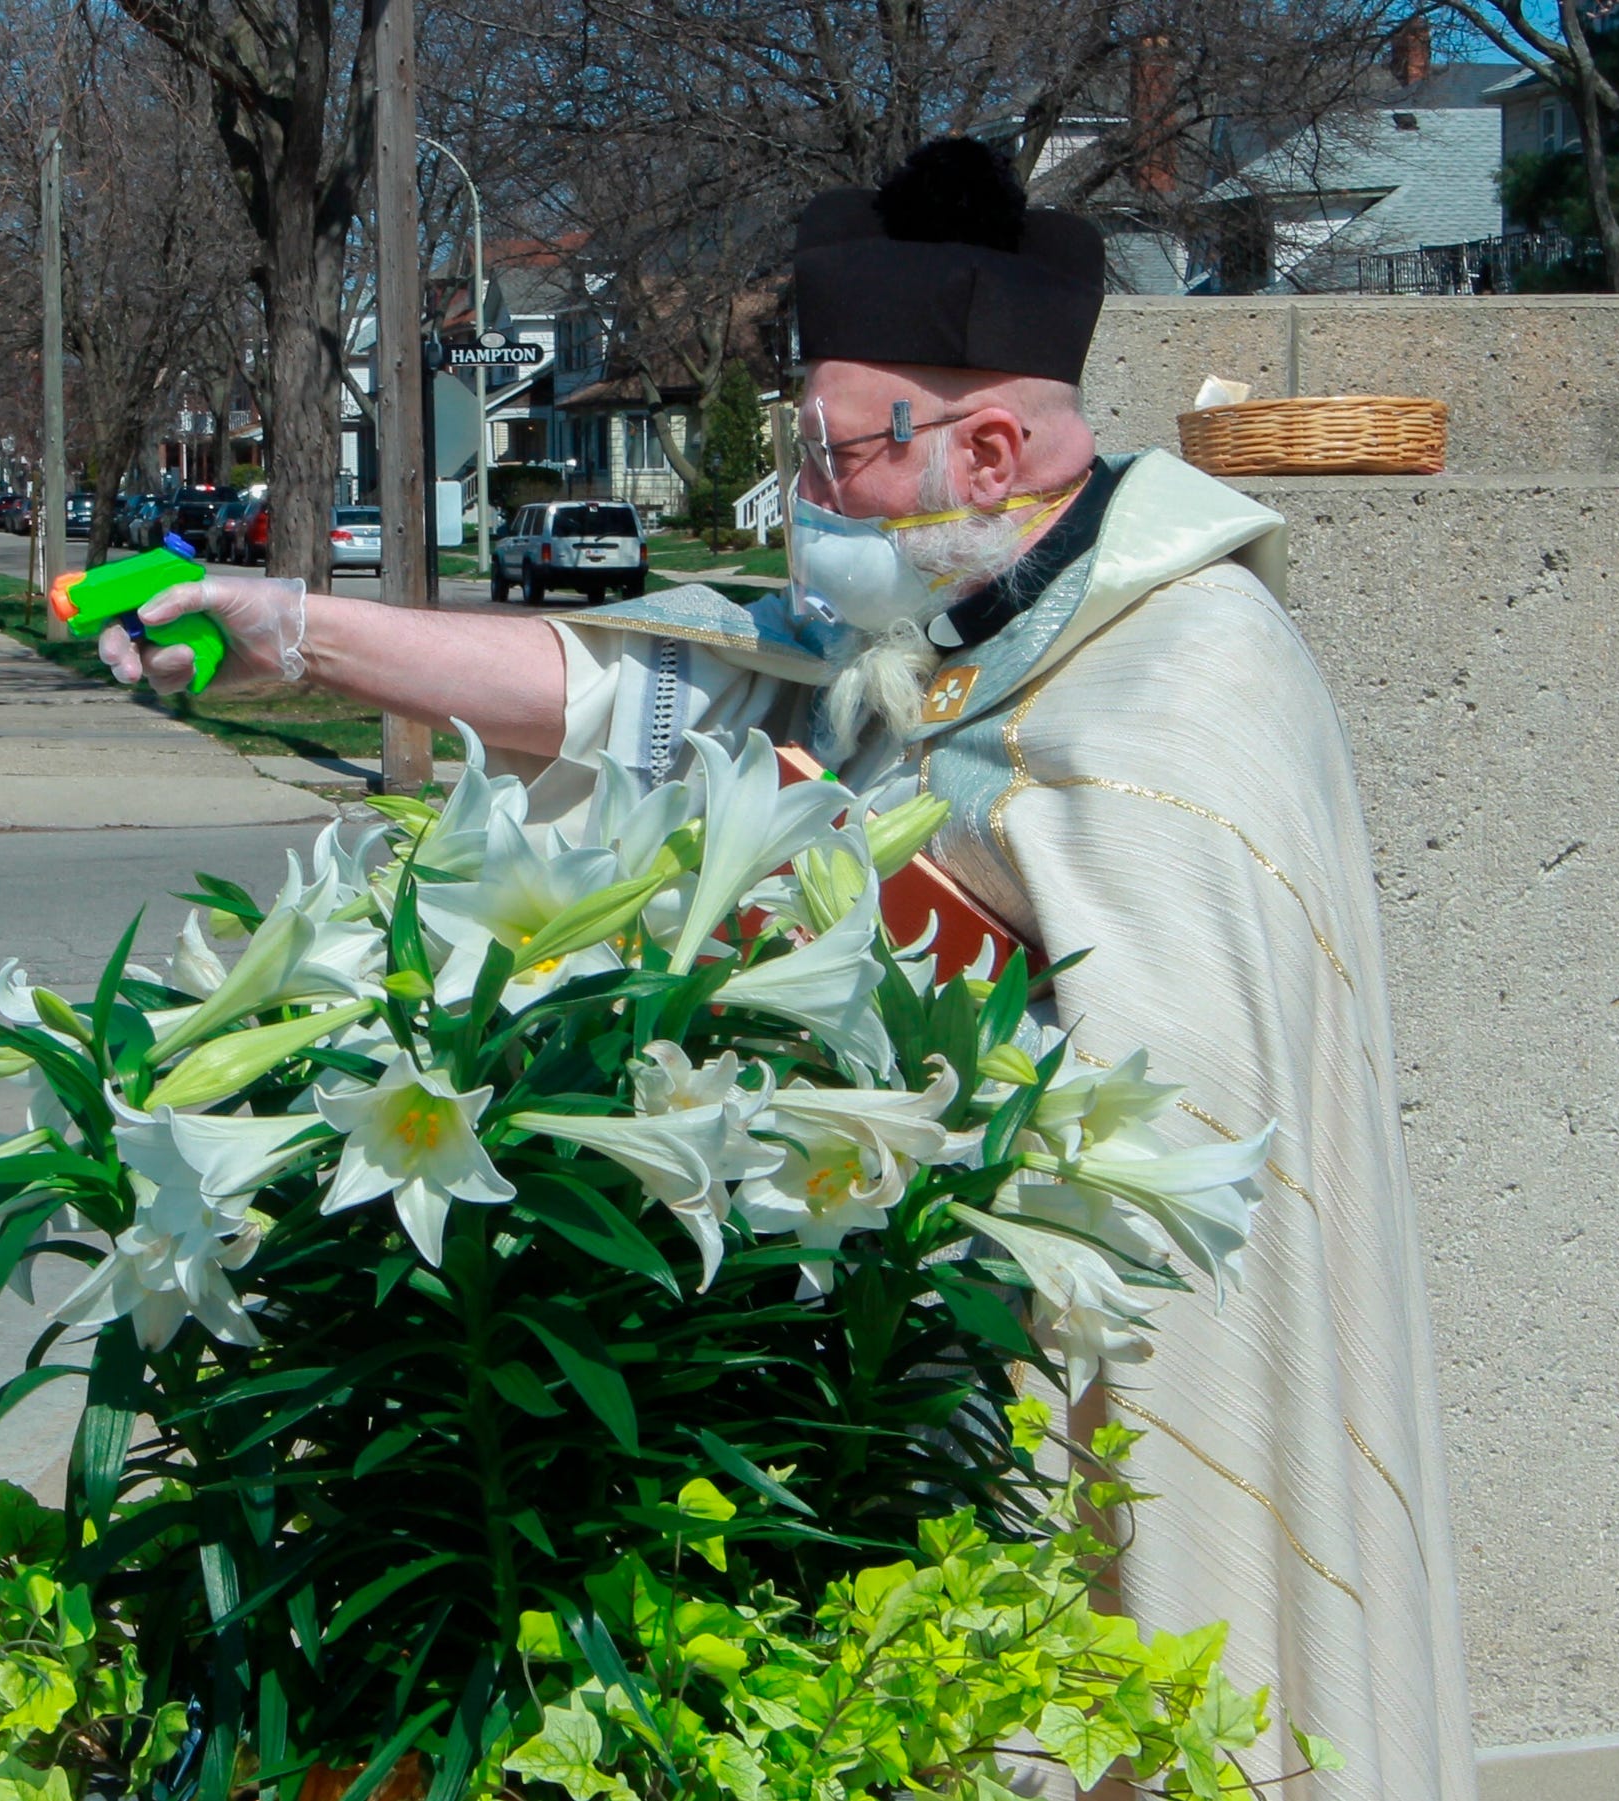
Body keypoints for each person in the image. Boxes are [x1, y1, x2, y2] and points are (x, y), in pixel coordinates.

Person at [99, 138, 1473, 1801]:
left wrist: (839, 919)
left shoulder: (1190, 671)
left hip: (1068, 1394)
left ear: (983, 444)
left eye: (830, 456)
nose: (800, 498)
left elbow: (1178, 1112)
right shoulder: (942, 601)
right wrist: (297, 632)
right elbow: (625, 688)